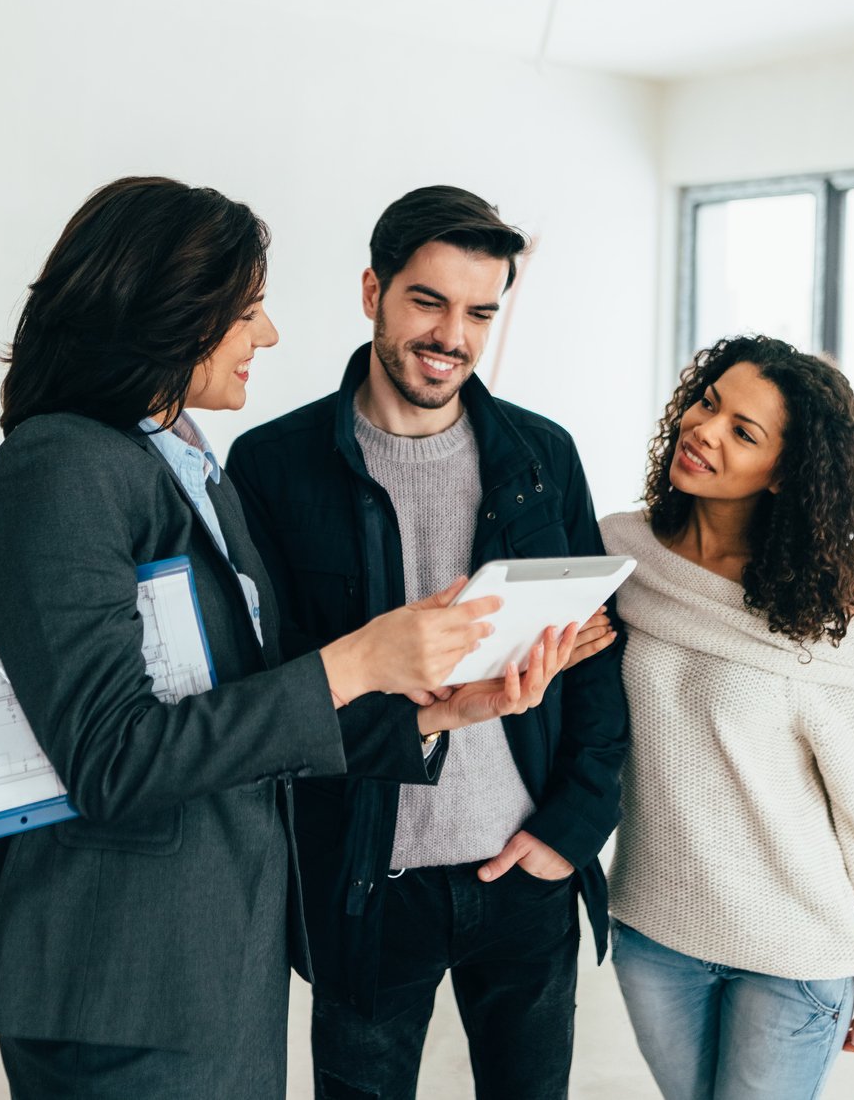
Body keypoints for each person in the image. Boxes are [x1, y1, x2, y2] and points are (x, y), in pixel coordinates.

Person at [0, 176, 522, 1100]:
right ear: (169, 314)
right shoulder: (59, 468)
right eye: (248, 312)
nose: (266, 336)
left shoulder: (179, 457)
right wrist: (355, 659)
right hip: (124, 968)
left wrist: (439, 714)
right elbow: (113, 758)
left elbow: (244, 708)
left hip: (219, 937)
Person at [228, 185, 628, 1100]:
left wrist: (570, 832)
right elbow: (273, 685)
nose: (454, 334)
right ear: (373, 290)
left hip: (524, 872)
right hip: (370, 882)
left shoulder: (542, 457)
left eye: (481, 312)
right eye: (428, 301)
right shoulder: (273, 467)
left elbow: (599, 661)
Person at [602, 334, 854, 1100]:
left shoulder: (826, 615)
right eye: (708, 403)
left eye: (743, 432)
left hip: (794, 944)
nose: (704, 430)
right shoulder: (616, 553)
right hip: (653, 927)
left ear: (784, 475)